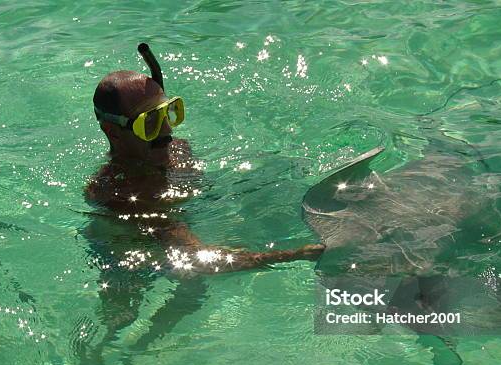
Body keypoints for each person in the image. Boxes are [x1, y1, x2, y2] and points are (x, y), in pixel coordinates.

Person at [85, 43, 324, 274]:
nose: (167, 130)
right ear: (113, 132)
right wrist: (295, 255)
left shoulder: (176, 149)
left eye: (168, 113)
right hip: (128, 264)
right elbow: (198, 260)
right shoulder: (124, 194)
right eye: (149, 121)